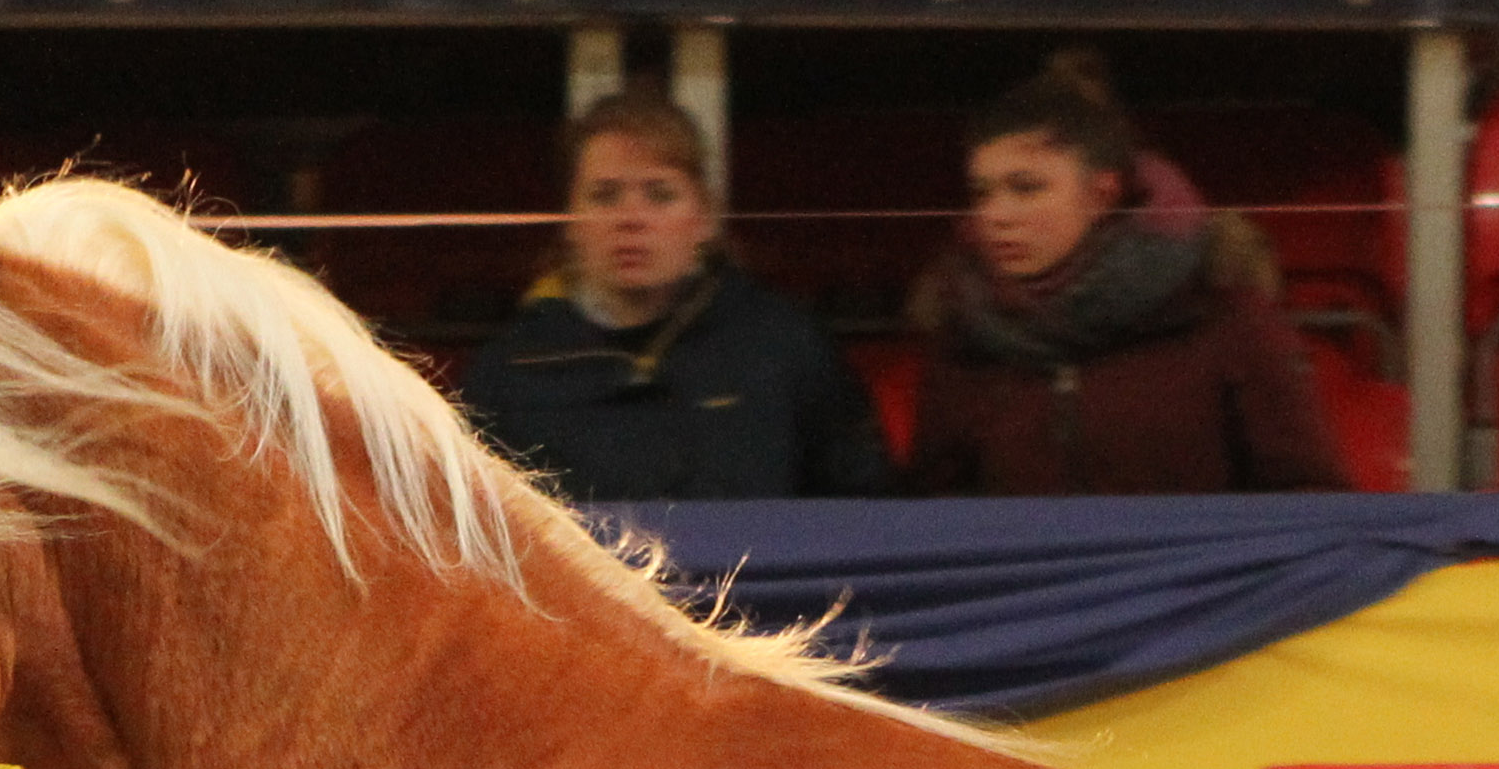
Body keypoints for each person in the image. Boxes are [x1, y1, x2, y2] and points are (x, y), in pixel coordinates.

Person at [905, 58, 1348, 497]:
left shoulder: (1228, 319)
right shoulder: (965, 331)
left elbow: (1309, 502)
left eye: (1026, 188)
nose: (995, 215)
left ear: (1101, 194)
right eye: (982, 193)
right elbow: (934, 518)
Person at [460, 93, 894, 504]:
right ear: (570, 223)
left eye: (660, 195)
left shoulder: (786, 351)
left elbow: (865, 514)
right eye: (605, 196)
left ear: (704, 219)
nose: (631, 220)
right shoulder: (511, 372)